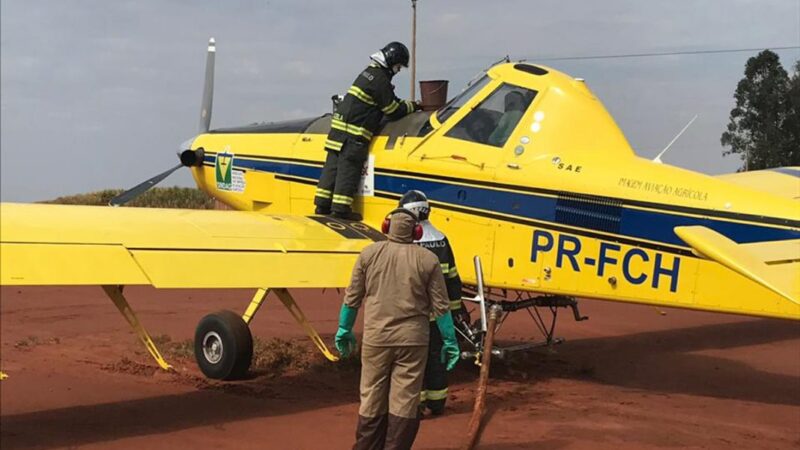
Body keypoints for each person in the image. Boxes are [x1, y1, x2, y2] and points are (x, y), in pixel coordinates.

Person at [335, 208, 461, 450]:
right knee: (405, 401)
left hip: (376, 340)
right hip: (413, 342)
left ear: (386, 227)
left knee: (371, 397)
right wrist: (449, 340)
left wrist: (344, 328)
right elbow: (441, 307)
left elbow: (352, 298)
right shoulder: (427, 260)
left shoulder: (369, 254)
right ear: (417, 231)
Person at [315, 42, 420, 221]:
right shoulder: (380, 79)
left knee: (332, 167)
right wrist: (414, 105)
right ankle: (340, 209)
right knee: (349, 168)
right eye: (398, 66)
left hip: (338, 131)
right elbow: (392, 109)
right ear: (392, 61)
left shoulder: (369, 73)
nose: (398, 70)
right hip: (353, 135)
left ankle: (322, 205)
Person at [398, 190, 467, 416]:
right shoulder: (441, 238)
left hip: (413, 317)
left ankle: (415, 405)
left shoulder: (407, 242)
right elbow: (453, 280)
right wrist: (456, 311)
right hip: (438, 317)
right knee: (436, 359)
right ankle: (437, 403)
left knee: (413, 363)